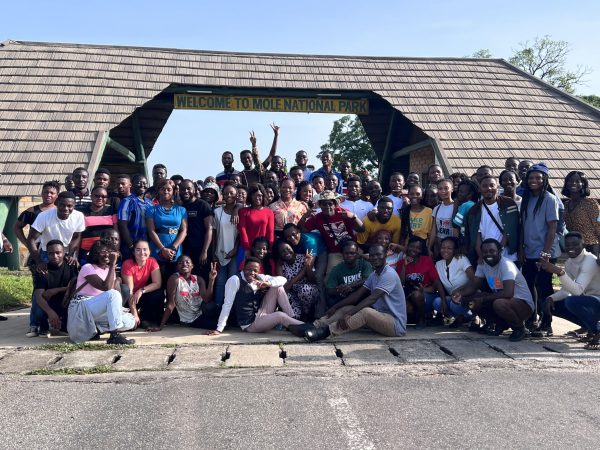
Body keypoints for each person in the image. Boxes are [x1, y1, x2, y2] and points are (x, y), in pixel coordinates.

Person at [302, 244, 407, 341]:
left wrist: (349, 314)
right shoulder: (374, 275)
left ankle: (326, 332)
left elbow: (372, 298)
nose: (375, 258)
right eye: (372, 255)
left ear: (385, 255)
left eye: (378, 255)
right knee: (347, 308)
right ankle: (316, 325)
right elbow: (357, 295)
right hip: (380, 317)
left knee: (365, 312)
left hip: (395, 325)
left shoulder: (389, 274)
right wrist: (336, 307)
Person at [452, 239, 534, 341]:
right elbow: (474, 286)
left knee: (498, 303)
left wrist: (482, 300)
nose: (488, 254)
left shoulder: (507, 265)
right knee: (468, 300)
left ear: (499, 251)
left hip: (522, 305)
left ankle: (519, 328)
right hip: (504, 301)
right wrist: (460, 294)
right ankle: (499, 323)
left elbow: (508, 293)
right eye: (485, 252)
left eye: (492, 251)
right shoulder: (483, 264)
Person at [208, 257, 304, 335]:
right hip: (249, 324)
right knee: (280, 316)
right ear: (243, 268)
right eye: (249, 269)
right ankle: (306, 326)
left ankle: (293, 321)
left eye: (255, 270)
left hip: (260, 315)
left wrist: (267, 283)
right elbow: (227, 305)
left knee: (278, 287)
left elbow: (283, 279)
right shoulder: (235, 280)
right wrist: (219, 329)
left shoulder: (259, 277)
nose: (252, 273)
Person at [520, 163, 563, 332]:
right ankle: (531, 318)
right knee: (528, 286)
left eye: (538, 177)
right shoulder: (526, 198)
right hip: (529, 251)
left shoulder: (549, 199)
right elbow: (523, 225)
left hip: (546, 252)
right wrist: (521, 249)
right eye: (531, 177)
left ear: (544, 179)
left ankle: (547, 322)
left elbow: (552, 228)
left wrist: (545, 254)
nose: (534, 180)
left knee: (545, 288)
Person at [67, 241, 135, 344]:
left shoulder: (109, 270)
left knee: (130, 321)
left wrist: (114, 274)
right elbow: (107, 288)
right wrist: (112, 264)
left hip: (97, 311)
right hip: (82, 307)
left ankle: (96, 330)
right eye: (103, 252)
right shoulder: (87, 268)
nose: (107, 255)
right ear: (95, 254)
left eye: (109, 251)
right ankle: (114, 335)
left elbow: (113, 298)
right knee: (113, 294)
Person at [537, 232, 600, 340]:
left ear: (583, 245)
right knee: (552, 304)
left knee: (572, 301)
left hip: (596, 301)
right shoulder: (569, 263)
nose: (571, 247)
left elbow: (577, 291)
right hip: (588, 300)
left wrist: (559, 272)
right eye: (568, 245)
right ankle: (590, 327)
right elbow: (566, 291)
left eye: (575, 244)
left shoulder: (589, 261)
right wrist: (551, 298)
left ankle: (596, 332)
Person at [149, 257, 221, 331]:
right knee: (217, 325)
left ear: (192, 266)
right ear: (177, 266)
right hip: (189, 319)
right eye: (180, 263)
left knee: (211, 306)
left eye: (187, 262)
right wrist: (161, 326)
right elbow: (171, 304)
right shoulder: (174, 279)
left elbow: (207, 299)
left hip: (201, 312)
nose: (184, 264)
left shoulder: (199, 279)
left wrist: (212, 280)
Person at [300, 190, 365, 272]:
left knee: (360, 271)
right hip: (335, 252)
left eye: (330, 203)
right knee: (330, 276)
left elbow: (362, 229)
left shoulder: (343, 212)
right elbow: (303, 230)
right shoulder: (317, 218)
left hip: (351, 249)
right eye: (324, 204)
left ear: (335, 204)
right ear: (320, 205)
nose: (327, 206)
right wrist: (304, 217)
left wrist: (353, 217)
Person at [464, 175, 520, 266]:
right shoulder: (474, 210)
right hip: (486, 256)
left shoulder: (508, 204)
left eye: (492, 185)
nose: (488, 188)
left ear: (497, 187)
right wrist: (481, 256)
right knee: (492, 280)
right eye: (484, 186)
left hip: (507, 255)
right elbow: (476, 235)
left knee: (508, 279)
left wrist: (499, 250)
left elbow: (510, 228)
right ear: (480, 188)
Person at [27, 191, 85, 273]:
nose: (65, 208)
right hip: (47, 253)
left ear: (74, 206)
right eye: (62, 205)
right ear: (56, 203)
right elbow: (31, 239)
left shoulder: (79, 216)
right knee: (46, 281)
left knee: (68, 282)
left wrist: (71, 255)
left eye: (69, 206)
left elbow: (76, 237)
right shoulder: (44, 216)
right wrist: (39, 261)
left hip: (67, 253)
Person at [30, 240, 78, 337]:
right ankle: (43, 327)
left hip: (66, 301)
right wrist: (50, 312)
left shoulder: (71, 266)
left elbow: (76, 287)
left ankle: (64, 324)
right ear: (47, 254)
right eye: (51, 253)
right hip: (50, 303)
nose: (55, 256)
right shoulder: (43, 270)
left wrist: (57, 290)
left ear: (64, 252)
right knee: (37, 298)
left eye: (58, 253)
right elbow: (39, 296)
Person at [396, 236, 446, 328]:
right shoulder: (400, 263)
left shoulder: (427, 261)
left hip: (426, 294)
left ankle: (422, 319)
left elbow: (437, 281)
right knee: (408, 309)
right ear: (407, 247)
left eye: (418, 248)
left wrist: (443, 300)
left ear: (421, 250)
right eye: (412, 246)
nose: (414, 249)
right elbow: (401, 284)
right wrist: (404, 266)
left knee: (417, 294)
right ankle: (419, 317)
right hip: (409, 295)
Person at [146, 178, 188, 277]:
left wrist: (174, 247)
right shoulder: (151, 210)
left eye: (169, 189)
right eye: (163, 189)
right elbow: (151, 231)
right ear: (158, 191)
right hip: (157, 250)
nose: (166, 191)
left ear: (173, 191)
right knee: (158, 282)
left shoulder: (181, 210)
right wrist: (162, 249)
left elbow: (184, 230)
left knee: (175, 281)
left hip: (175, 251)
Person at [432, 237, 476, 327]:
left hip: (467, 296)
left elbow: (475, 280)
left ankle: (472, 315)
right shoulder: (438, 264)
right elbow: (438, 284)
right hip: (453, 298)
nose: (445, 250)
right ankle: (462, 317)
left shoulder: (461, 259)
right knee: (437, 302)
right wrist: (444, 300)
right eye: (443, 247)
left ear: (455, 250)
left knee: (454, 304)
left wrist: (460, 291)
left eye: (449, 248)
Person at [121, 240, 163, 328]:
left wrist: (141, 290)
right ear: (133, 252)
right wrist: (134, 314)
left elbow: (157, 283)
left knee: (158, 293)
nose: (142, 252)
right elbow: (130, 292)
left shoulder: (152, 261)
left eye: (145, 249)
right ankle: (135, 318)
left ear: (149, 251)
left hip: (140, 295)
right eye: (138, 249)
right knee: (131, 324)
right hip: (128, 298)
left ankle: (147, 319)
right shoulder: (127, 264)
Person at [13, 181, 59, 261]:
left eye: (52, 193)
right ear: (41, 193)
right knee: (39, 271)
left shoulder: (60, 212)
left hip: (55, 250)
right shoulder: (32, 211)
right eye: (46, 192)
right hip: (36, 250)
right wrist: (26, 243)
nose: (48, 195)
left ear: (57, 195)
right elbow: (17, 227)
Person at [276, 241, 319, 321]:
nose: (286, 252)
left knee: (304, 290)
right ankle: (297, 316)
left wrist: (307, 266)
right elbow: (284, 286)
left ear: (292, 248)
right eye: (282, 251)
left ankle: (307, 313)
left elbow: (313, 280)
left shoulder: (303, 258)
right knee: (294, 318)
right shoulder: (280, 264)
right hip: (293, 294)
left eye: (288, 249)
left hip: (308, 292)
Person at [213, 183, 240, 306]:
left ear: (236, 195)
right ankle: (218, 308)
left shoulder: (241, 211)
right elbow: (214, 233)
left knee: (232, 282)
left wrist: (235, 249)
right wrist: (213, 252)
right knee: (220, 282)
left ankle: (231, 311)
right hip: (220, 252)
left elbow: (241, 233)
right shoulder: (217, 212)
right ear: (222, 195)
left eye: (232, 193)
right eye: (226, 193)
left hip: (234, 252)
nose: (228, 195)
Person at [562, 171, 600, 255]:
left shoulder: (590, 203)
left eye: (577, 181)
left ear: (583, 184)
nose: (573, 183)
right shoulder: (566, 204)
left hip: (591, 247)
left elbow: (599, 226)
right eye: (570, 181)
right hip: (574, 247)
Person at [180, 179, 214, 273]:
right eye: (183, 189)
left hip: (201, 251)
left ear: (194, 190)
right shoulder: (180, 207)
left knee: (203, 280)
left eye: (188, 188)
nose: (185, 191)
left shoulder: (203, 205)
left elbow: (209, 229)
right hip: (186, 252)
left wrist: (205, 251)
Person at [326, 240, 372, 307]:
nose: (349, 255)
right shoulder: (336, 269)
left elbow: (368, 279)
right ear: (342, 254)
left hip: (361, 295)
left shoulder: (364, 264)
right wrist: (340, 290)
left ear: (357, 254)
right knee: (331, 301)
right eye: (346, 253)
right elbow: (330, 290)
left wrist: (351, 285)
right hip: (345, 296)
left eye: (352, 253)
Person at [78, 186, 118, 266]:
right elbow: (78, 235)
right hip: (86, 250)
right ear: (91, 196)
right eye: (97, 196)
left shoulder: (110, 210)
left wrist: (116, 249)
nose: (100, 198)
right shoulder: (82, 212)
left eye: (103, 196)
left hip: (106, 252)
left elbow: (116, 232)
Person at [117, 174, 153, 260]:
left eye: (145, 183)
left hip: (146, 246)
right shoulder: (127, 201)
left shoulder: (149, 203)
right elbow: (122, 225)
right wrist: (131, 246)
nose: (142, 185)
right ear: (132, 184)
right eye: (139, 183)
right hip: (131, 245)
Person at [238, 183, 274, 259]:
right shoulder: (243, 212)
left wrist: (269, 248)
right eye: (254, 195)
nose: (257, 198)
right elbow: (242, 230)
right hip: (247, 249)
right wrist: (247, 248)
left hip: (263, 250)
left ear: (263, 196)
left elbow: (270, 232)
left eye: (260, 195)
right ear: (250, 197)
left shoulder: (269, 212)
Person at [429, 179, 454, 258]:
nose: (443, 191)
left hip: (452, 247)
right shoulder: (437, 208)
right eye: (440, 189)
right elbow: (434, 229)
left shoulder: (457, 207)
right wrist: (429, 247)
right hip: (439, 247)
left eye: (446, 188)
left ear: (452, 189)